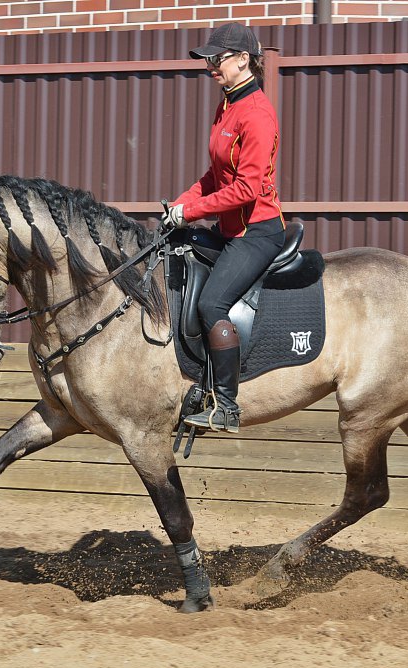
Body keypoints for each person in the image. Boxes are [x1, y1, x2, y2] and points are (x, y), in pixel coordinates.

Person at [162, 22, 285, 433]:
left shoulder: (258, 114)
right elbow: (217, 176)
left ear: (243, 60)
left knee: (212, 304)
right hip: (231, 230)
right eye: (209, 59)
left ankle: (227, 405)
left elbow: (248, 187)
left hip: (257, 232)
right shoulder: (227, 105)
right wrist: (182, 202)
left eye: (218, 58)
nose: (211, 65)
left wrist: (192, 212)